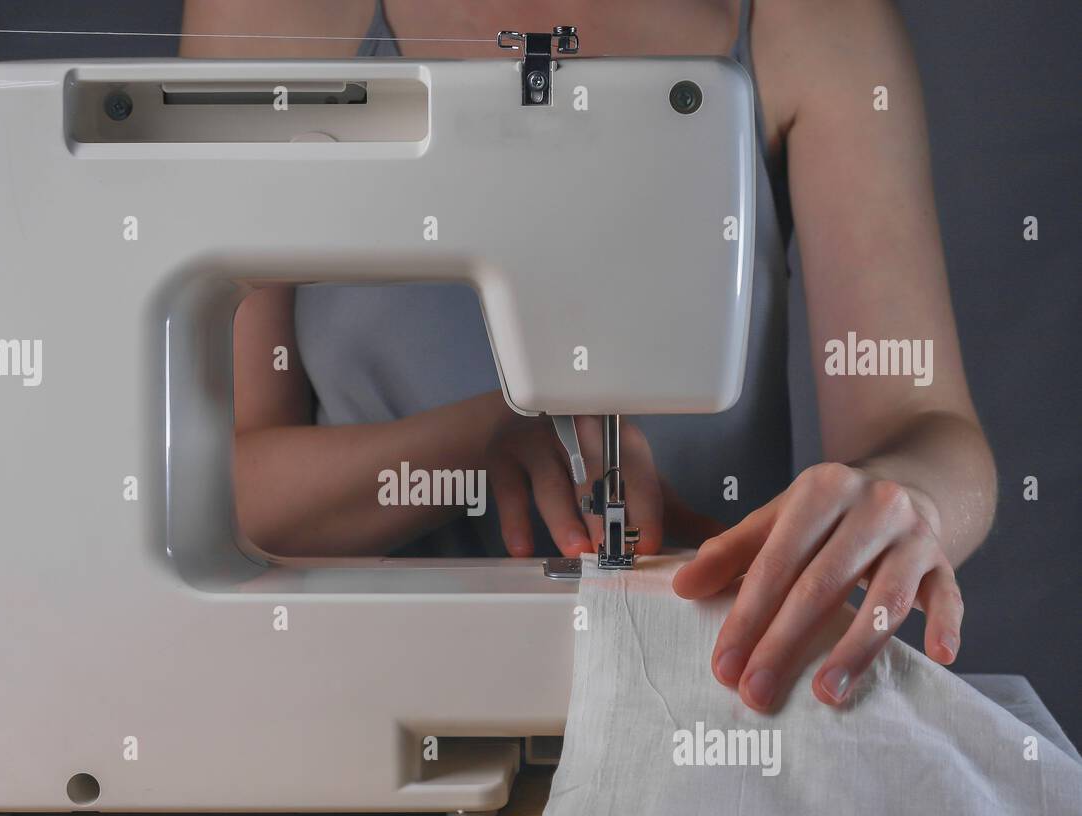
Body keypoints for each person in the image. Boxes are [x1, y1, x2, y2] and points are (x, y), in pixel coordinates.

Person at [182, 0, 996, 713]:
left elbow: (925, 422)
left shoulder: (815, 23)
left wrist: (906, 501)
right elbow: (213, 487)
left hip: (696, 696)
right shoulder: (277, 17)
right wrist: (473, 441)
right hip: (347, 703)